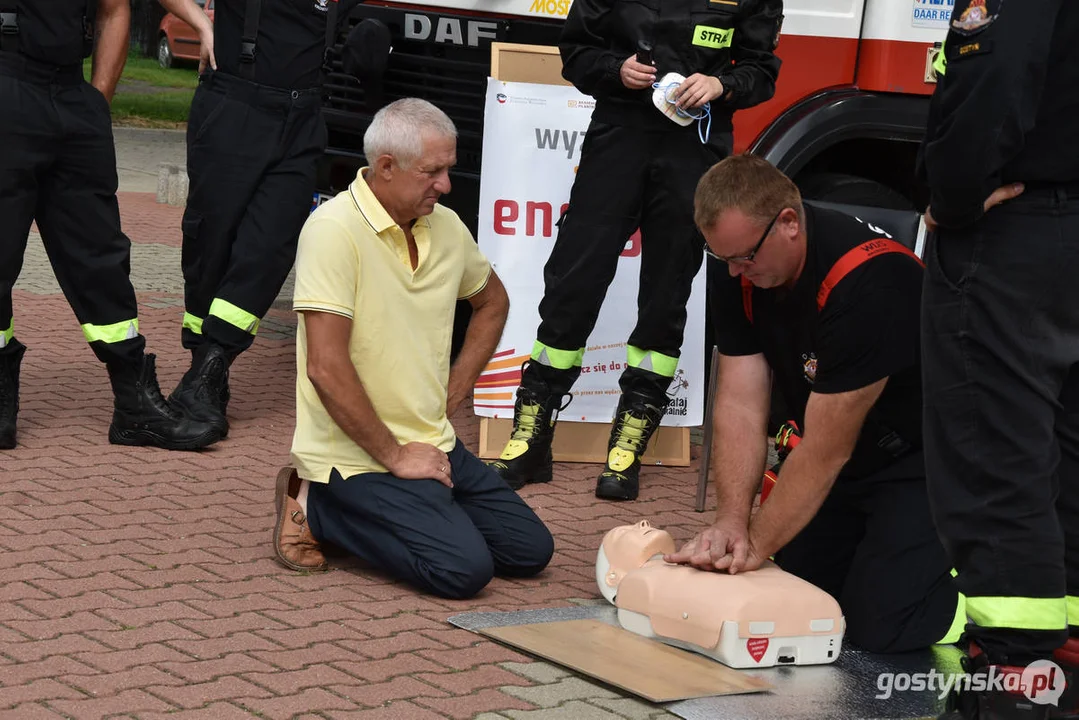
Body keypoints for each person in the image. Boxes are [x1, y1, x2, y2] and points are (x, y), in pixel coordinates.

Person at [665, 154, 964, 654]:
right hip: (843, 458)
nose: (738, 271)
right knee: (800, 606)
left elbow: (827, 450)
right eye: (725, 259)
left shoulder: (869, 281)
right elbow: (739, 403)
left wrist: (756, 545)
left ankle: (965, 592)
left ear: (789, 222)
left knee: (879, 633)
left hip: (924, 460)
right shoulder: (737, 263)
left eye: (746, 258)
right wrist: (733, 522)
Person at [488, 0, 784, 502]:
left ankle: (627, 449)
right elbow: (576, 52)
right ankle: (530, 439)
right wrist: (613, 69)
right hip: (618, 138)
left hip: (694, 151)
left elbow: (762, 69)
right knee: (573, 283)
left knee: (666, 296)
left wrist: (722, 86)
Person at [272, 99, 555, 600]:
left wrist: (455, 389)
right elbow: (325, 367)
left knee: (529, 551)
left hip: (431, 440)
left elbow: (493, 302)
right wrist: (396, 456)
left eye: (449, 168)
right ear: (386, 167)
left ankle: (422, 511)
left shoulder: (444, 224)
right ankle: (316, 505)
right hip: (354, 453)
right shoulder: (332, 230)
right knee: (462, 571)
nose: (445, 184)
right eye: (433, 171)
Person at [918, 1, 1079, 716]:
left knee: (995, 445)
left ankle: (1017, 674)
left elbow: (996, 77)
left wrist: (951, 200)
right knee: (1068, 450)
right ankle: (1064, 652)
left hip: (1015, 232)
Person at [0, 0, 223, 451]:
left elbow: (112, 7)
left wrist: (95, 106)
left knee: (100, 256)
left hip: (70, 93)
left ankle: (134, 405)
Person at [165, 0, 364, 438]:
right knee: (211, 242)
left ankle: (212, 366)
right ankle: (204, 370)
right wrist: (200, 21)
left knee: (270, 246)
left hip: (304, 121)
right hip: (232, 107)